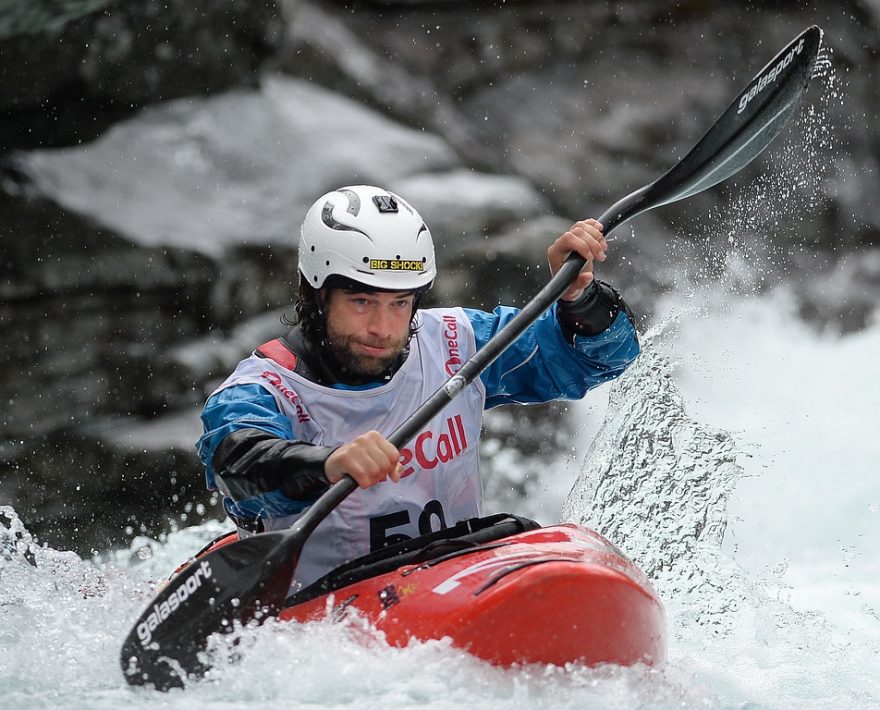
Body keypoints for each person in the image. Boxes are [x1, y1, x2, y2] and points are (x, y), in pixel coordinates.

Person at [196, 184, 639, 588]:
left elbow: (600, 360)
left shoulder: (455, 342)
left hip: (454, 579)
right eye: (362, 302)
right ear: (316, 293)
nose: (383, 328)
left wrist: (578, 297)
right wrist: (326, 463)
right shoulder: (264, 387)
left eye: (400, 303)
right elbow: (235, 463)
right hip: (330, 604)